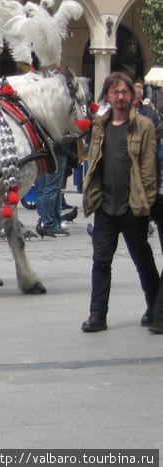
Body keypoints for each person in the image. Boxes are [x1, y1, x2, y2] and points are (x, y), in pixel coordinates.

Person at [81, 72, 160, 333]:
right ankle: (97, 314)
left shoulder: (144, 126)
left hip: (132, 205)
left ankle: (155, 309)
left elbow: (148, 169)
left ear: (133, 96)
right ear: (107, 96)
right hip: (105, 205)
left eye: (125, 91)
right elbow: (93, 163)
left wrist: (146, 204)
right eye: (115, 92)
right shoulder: (99, 126)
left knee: (143, 260)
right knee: (101, 261)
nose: (121, 96)